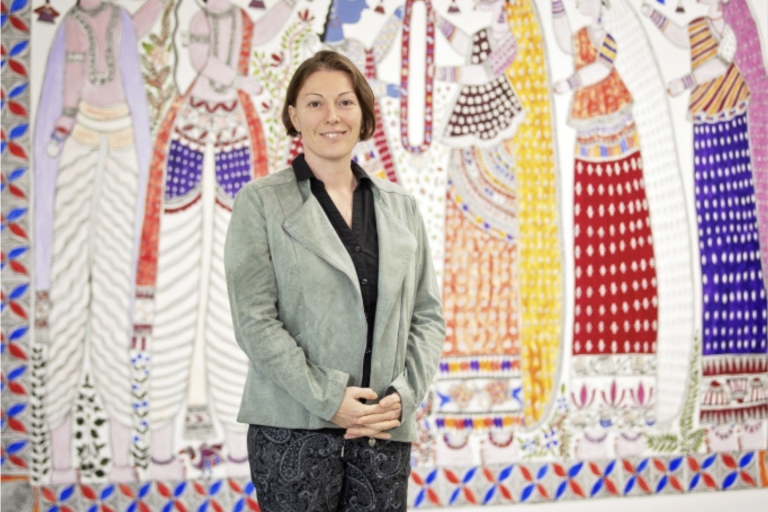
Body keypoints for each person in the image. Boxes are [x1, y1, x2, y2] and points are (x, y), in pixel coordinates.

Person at [224, 50, 445, 510]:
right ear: (293, 116)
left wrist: (405, 397)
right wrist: (329, 398)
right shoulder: (260, 203)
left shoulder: (401, 207)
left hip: (382, 432)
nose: (332, 116)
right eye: (315, 103)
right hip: (293, 432)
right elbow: (255, 322)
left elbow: (427, 317)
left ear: (363, 113)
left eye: (345, 103)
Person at [34, 0, 167, 483]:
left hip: (124, 154)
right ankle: (60, 459)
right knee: (69, 299)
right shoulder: (71, 22)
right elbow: (64, 94)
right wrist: (65, 125)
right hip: (78, 149)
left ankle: (125, 455)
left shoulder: (122, 22)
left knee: (115, 298)